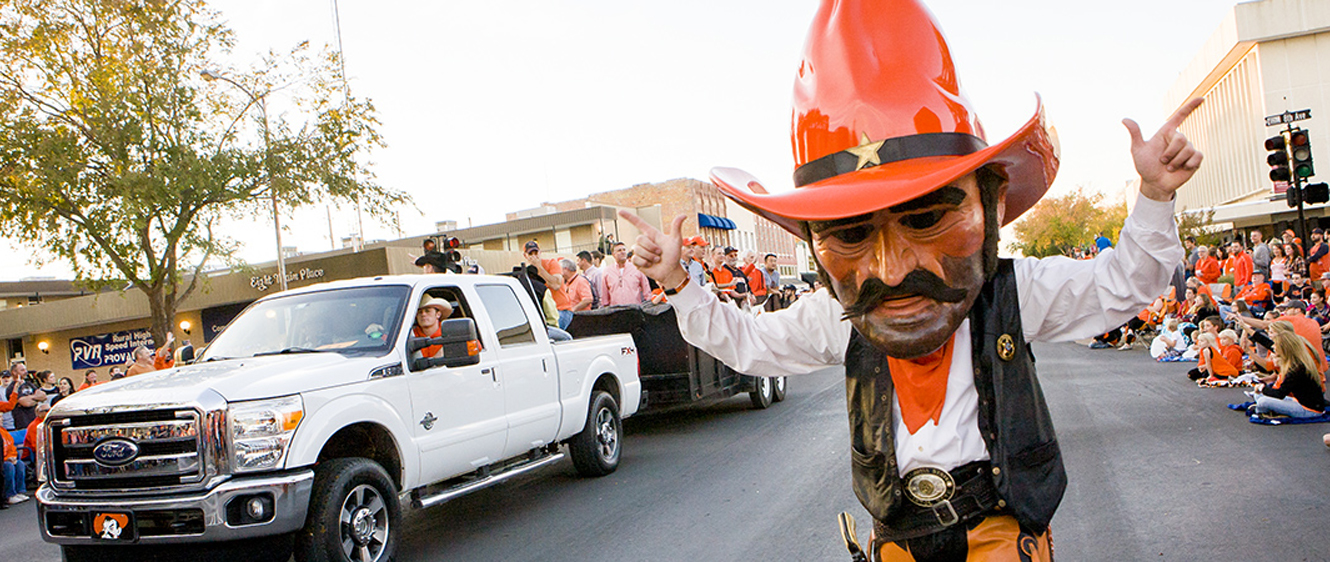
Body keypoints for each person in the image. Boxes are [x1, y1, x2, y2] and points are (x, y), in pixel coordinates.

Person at [618, 0, 1202, 556]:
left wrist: (1152, 196)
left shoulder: (1016, 293)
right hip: (898, 540)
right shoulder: (835, 319)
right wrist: (679, 283)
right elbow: (746, 344)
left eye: (925, 220)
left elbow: (1122, 284)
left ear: (992, 210)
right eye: (850, 235)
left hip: (1000, 536)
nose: (891, 270)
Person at [1251, 323, 1328, 419]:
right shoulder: (1296, 364)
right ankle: (1266, 410)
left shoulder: (1296, 369)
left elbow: (1280, 394)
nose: (1273, 347)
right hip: (1300, 401)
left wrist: (1263, 388)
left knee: (1263, 401)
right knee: (1260, 397)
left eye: (1276, 345)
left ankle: (1261, 412)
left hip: (1308, 409)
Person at [4, 362, 45, 445]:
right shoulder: (11, 388)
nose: (25, 372)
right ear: (14, 372)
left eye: (25, 369)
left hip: (35, 422)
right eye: (22, 370)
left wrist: (30, 398)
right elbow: (25, 403)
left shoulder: (29, 384)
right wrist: (36, 398)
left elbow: (43, 396)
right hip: (23, 424)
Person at [599, 242, 650, 306]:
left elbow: (646, 290)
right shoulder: (607, 271)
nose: (622, 252)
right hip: (616, 311)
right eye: (619, 250)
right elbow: (604, 295)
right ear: (613, 254)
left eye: (624, 250)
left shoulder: (636, 268)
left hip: (634, 310)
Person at [554, 258, 593, 329]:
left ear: (566, 269)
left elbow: (588, 299)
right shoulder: (566, 283)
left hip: (581, 319)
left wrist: (572, 309)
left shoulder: (580, 281)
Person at [412, 295, 454, 360]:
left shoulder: (451, 334)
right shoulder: (409, 336)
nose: (423, 314)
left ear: (438, 314)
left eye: (427, 311)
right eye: (420, 312)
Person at [1, 424, 26, 506]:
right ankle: (10, 494)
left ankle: (20, 491)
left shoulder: (4, 432)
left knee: (20, 464)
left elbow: (12, 448)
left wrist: (13, 457)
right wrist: (7, 458)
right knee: (9, 466)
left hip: (9, 458)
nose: (1, 420)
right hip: (3, 460)